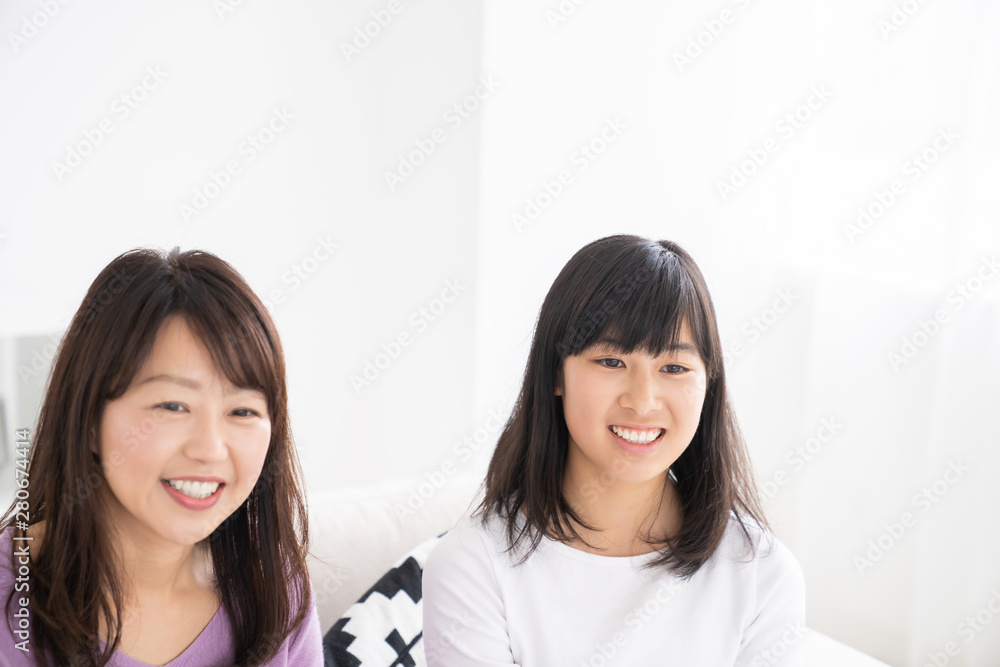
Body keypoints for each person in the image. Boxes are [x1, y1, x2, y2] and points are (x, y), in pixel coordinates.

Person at [422, 235, 806, 666]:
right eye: (611, 362)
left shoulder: (763, 574)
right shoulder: (473, 566)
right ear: (556, 374)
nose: (642, 401)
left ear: (707, 384)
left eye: (674, 367)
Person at [0, 248, 322, 666]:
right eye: (172, 406)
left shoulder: (273, 588)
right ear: (89, 419)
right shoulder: (12, 601)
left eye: (242, 411)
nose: (210, 449)